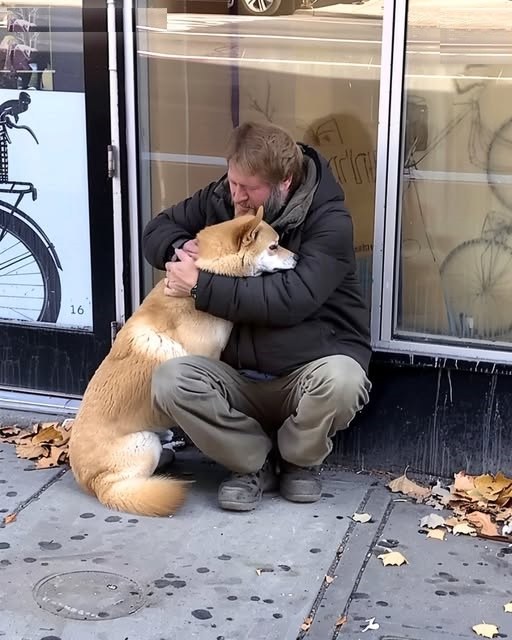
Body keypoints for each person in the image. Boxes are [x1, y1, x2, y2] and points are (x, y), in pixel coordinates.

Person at [142, 121, 372, 512]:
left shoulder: (330, 222)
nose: (236, 196)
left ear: (284, 183)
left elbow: (291, 299)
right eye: (233, 182)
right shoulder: (224, 197)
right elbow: (156, 230)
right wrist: (185, 249)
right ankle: (253, 463)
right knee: (170, 380)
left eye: (248, 189)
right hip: (237, 377)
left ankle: (297, 461)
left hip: (304, 373)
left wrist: (201, 286)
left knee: (344, 380)